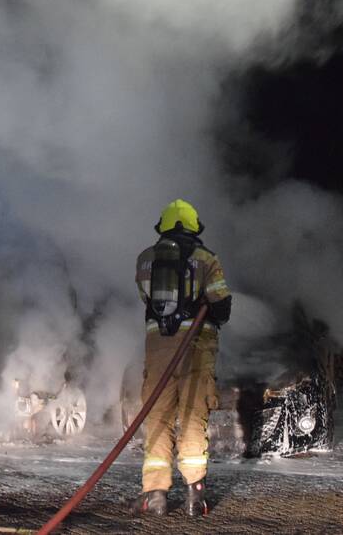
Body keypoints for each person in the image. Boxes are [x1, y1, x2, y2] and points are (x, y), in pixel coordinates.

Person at [131, 199, 232, 518]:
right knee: (192, 417)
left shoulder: (145, 259)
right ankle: (195, 498)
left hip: (159, 346)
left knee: (157, 417)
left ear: (163, 226)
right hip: (196, 346)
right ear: (193, 226)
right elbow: (222, 308)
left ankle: (156, 497)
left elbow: (146, 300)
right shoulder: (206, 259)